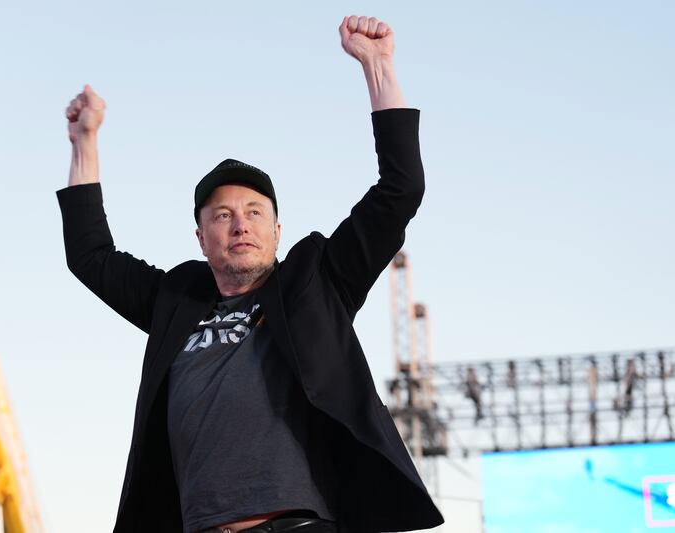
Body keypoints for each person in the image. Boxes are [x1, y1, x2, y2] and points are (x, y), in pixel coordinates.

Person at [58, 15, 443, 533]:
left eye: (255, 212)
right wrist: (84, 143)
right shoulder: (177, 300)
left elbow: (400, 190)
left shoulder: (317, 283)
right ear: (201, 238)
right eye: (222, 215)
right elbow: (92, 257)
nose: (240, 224)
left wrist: (378, 67)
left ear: (277, 231)